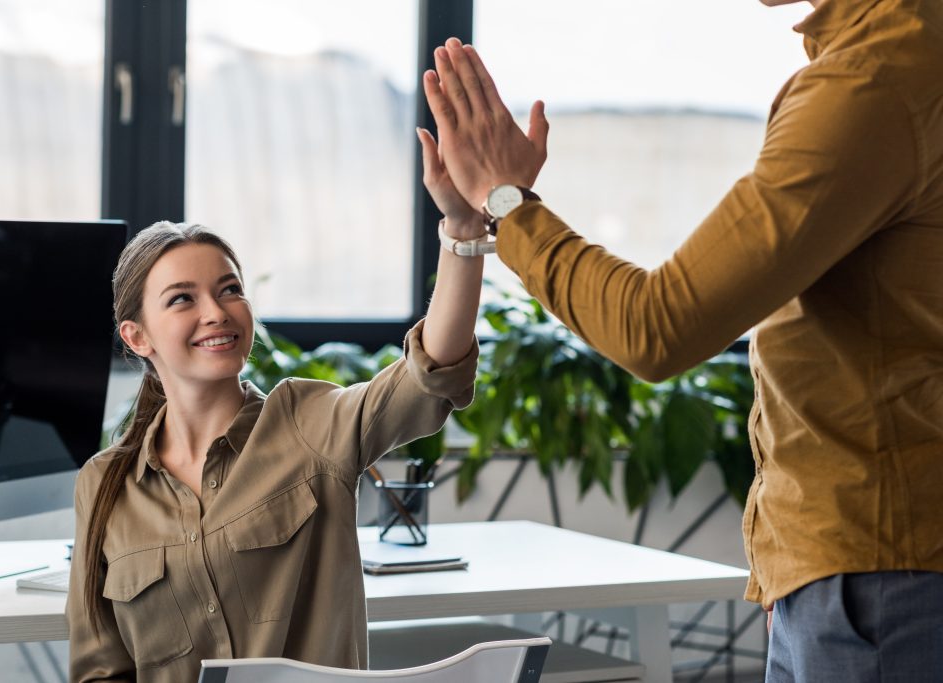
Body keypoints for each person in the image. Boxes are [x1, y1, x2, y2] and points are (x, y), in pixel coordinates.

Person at [421, 0, 943, 679]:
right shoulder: (906, 53)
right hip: (858, 574)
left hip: (875, 583)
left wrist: (507, 202)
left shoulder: (876, 79)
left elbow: (655, 327)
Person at [65, 130, 489, 681]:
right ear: (137, 336)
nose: (216, 312)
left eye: (229, 289)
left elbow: (430, 373)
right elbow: (100, 669)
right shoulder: (104, 485)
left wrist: (462, 231)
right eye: (182, 299)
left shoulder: (308, 422)